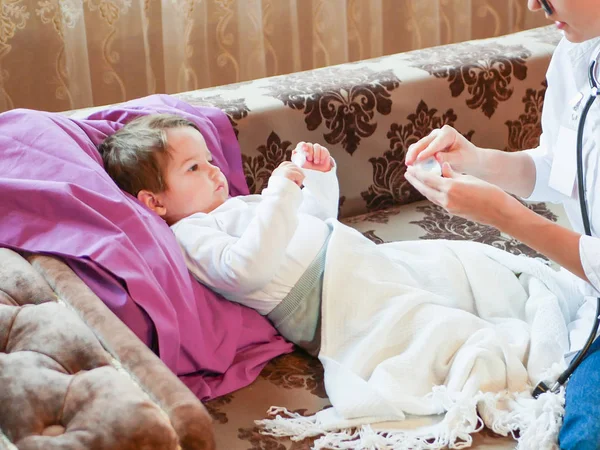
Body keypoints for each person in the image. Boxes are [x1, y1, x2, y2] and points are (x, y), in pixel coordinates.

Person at [404, 1, 600, 449]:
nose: (534, 4)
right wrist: (479, 162)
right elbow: (560, 166)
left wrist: (503, 215)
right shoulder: (577, 51)